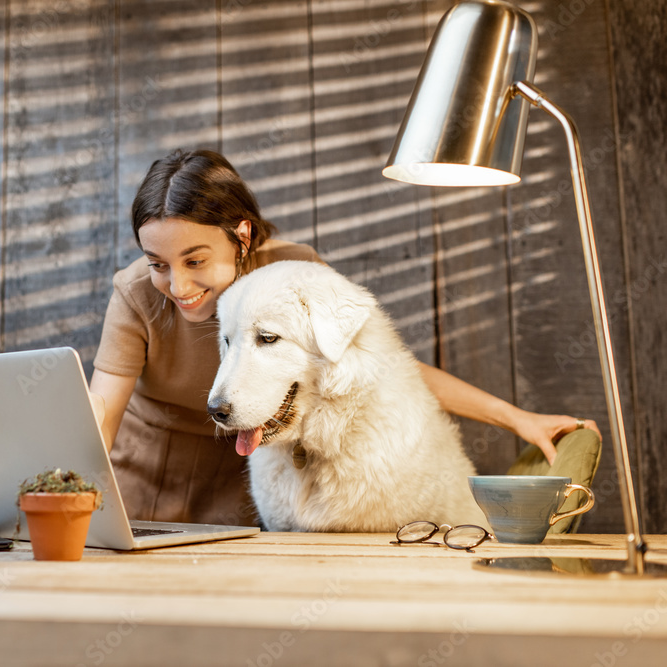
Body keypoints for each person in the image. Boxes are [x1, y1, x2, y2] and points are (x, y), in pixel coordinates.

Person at [88, 148, 598, 527]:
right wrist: (67, 486)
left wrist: (515, 418)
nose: (177, 285)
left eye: (195, 261)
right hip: (148, 476)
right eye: (158, 264)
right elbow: (102, 409)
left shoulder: (297, 275)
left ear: (241, 235)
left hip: (241, 468)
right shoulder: (136, 294)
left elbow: (383, 363)